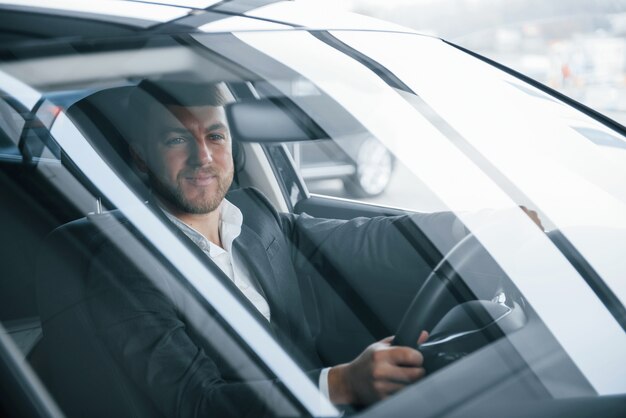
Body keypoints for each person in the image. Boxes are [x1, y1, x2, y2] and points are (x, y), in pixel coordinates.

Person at [77, 80, 525, 416]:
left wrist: (485, 228)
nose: (204, 157)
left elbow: (375, 239)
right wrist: (342, 384)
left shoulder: (253, 213)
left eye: (215, 136)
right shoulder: (124, 263)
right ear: (140, 156)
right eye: (176, 139)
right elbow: (196, 404)